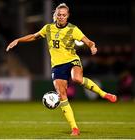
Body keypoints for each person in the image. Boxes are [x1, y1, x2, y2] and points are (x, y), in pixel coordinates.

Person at [6, 3, 117, 136]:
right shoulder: (48, 28)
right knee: (62, 95)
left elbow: (88, 41)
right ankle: (74, 128)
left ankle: (104, 94)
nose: (61, 17)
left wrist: (92, 46)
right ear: (55, 15)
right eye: (59, 14)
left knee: (77, 78)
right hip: (57, 66)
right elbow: (33, 36)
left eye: (64, 15)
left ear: (68, 16)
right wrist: (18, 40)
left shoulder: (73, 29)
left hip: (72, 60)